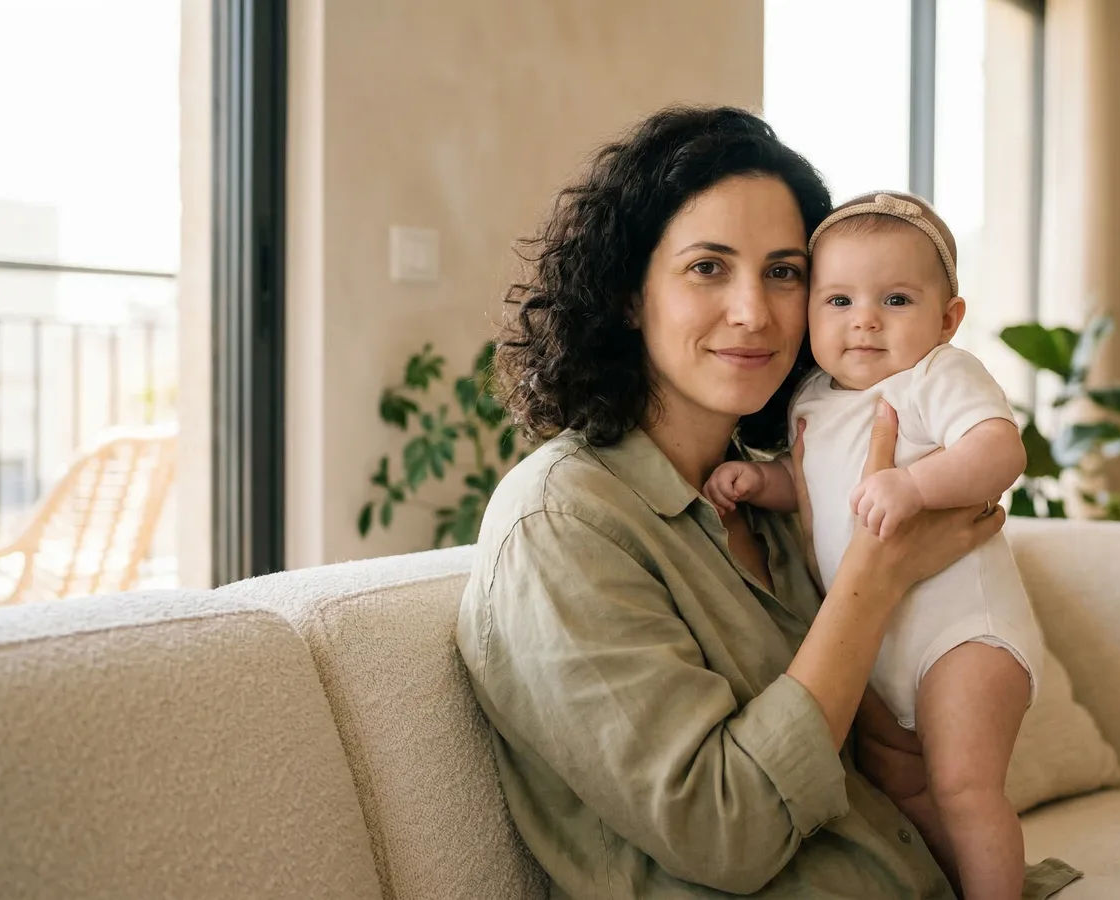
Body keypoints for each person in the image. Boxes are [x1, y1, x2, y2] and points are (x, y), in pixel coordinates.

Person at [456, 105, 1080, 899]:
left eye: (785, 272)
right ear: (627, 293)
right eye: (708, 267)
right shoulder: (562, 525)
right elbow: (729, 833)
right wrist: (876, 574)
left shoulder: (770, 488)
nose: (756, 312)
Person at [702, 190, 1046, 899]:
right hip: (881, 645)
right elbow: (820, 489)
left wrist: (916, 487)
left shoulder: (934, 377)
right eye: (837, 302)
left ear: (947, 319)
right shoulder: (813, 400)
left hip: (964, 635)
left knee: (964, 785)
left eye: (894, 300)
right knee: (902, 785)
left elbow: (999, 450)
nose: (863, 320)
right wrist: (762, 482)